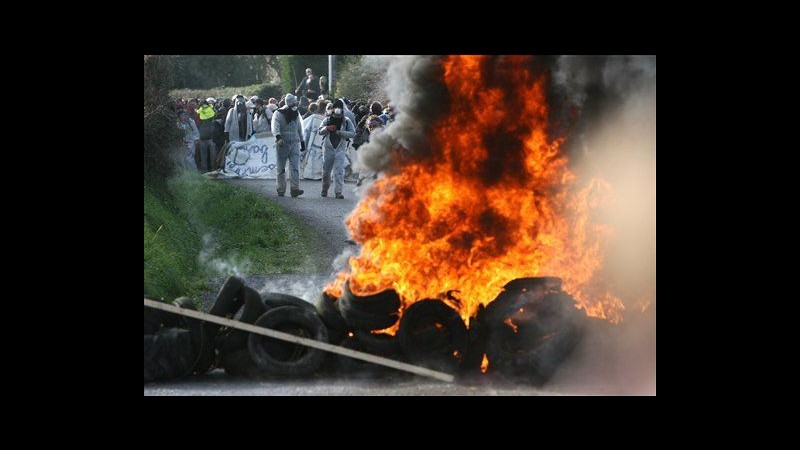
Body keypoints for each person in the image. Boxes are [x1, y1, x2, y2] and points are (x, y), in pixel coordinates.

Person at [318, 99, 355, 199]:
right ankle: (324, 189)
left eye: (340, 107)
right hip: (328, 149)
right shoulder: (327, 120)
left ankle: (338, 192)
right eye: (336, 107)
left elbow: (353, 133)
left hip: (340, 149)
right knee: (326, 172)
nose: (338, 109)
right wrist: (327, 128)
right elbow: (320, 131)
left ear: (343, 109)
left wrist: (341, 133)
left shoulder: (346, 121)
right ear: (333, 109)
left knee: (339, 172)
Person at [271, 93, 305, 197]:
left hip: (294, 143)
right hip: (283, 143)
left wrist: (302, 141)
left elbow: (299, 127)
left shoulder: (296, 113)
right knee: (281, 167)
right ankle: (281, 189)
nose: (296, 103)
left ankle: (295, 188)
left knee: (295, 167)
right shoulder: (278, 113)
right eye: (294, 102)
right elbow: (274, 125)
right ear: (290, 102)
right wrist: (278, 137)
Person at [301, 103, 326, 180]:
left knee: (311, 160)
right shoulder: (325, 119)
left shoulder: (313, 118)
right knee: (318, 160)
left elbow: (305, 129)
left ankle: (309, 175)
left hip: (313, 142)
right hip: (320, 142)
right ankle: (318, 175)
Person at [196, 99, 217, 172]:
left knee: (210, 155)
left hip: (209, 137)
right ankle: (207, 170)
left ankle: (211, 169)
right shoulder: (200, 114)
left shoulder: (211, 113)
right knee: (205, 155)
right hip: (204, 137)